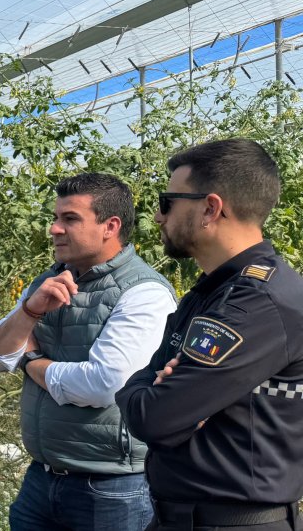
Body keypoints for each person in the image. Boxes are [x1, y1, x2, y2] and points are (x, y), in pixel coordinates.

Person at [117, 139, 303, 531]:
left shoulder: (259, 304)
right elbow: (143, 390)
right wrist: (153, 388)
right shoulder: (214, 292)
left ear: (210, 208)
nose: (157, 216)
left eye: (168, 201)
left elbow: (153, 416)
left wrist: (155, 393)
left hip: (233, 523)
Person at [0, 173, 176, 530]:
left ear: (109, 226)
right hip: (41, 478)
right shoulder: (50, 281)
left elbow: (106, 386)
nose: (55, 228)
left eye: (69, 219)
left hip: (111, 488)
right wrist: (29, 312)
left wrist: (32, 361)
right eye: (55, 218)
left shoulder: (143, 293)